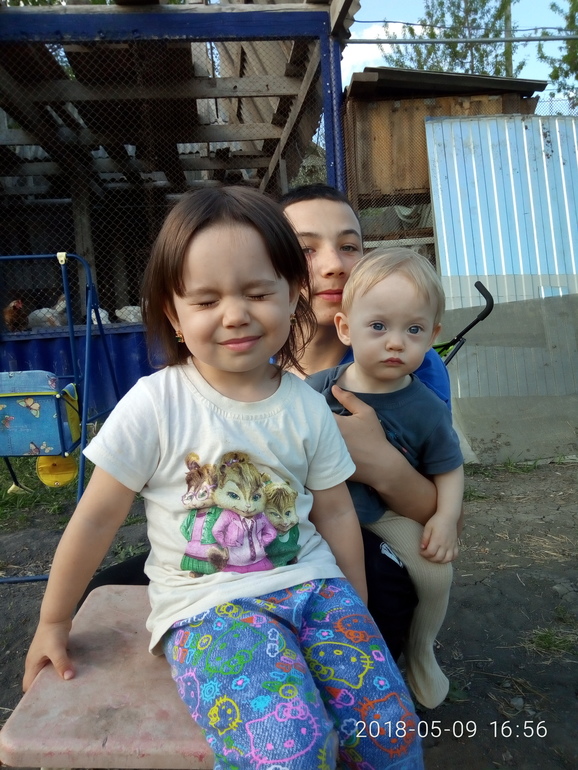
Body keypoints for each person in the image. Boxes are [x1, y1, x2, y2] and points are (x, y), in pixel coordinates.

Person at [24, 186, 423, 770]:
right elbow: (96, 518)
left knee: (388, 731)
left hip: (316, 588)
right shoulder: (156, 403)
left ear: (293, 293)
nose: (235, 314)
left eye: (258, 293)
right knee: (288, 748)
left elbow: (335, 510)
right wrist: (54, 619)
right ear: (174, 315)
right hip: (210, 608)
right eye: (206, 300)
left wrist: (354, 605)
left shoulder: (307, 406)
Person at [307, 247, 464, 710]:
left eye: (413, 330)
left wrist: (445, 519)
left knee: (435, 572)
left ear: (433, 335)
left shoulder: (425, 407)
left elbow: (449, 468)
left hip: (382, 515)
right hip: (315, 509)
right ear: (345, 328)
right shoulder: (317, 388)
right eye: (378, 326)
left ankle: (419, 652)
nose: (396, 342)